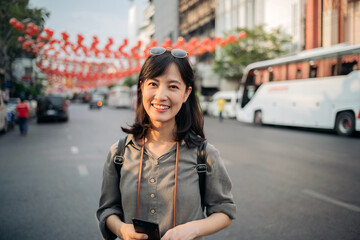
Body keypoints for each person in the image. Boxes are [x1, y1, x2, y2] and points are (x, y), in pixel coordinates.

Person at [97, 47, 236, 240]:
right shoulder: (119, 153)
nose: (161, 96)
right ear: (142, 87)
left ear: (186, 93)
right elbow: (108, 210)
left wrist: (191, 230)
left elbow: (225, 211)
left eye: (173, 86)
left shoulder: (204, 154)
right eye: (153, 84)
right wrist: (122, 229)